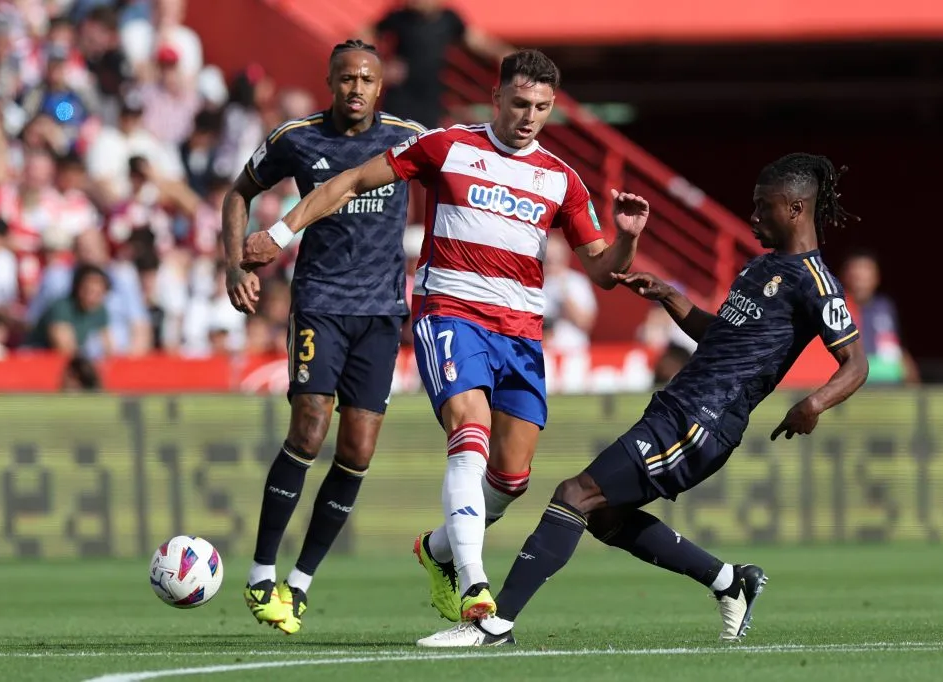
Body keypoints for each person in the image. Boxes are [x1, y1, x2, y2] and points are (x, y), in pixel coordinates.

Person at [241, 49, 649, 626]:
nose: (528, 116)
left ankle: (436, 552)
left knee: (510, 479)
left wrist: (628, 240)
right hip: (450, 316)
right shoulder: (447, 145)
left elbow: (604, 272)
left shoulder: (562, 180)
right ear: (496, 98)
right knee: (469, 429)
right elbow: (353, 179)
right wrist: (282, 231)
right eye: (518, 103)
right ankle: (475, 586)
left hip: (522, 335)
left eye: (540, 107)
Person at [414, 152, 870, 647]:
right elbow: (724, 337)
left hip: (703, 421)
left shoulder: (815, 280)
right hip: (679, 406)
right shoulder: (764, 268)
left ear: (797, 209)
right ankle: (729, 581)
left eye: (765, 207)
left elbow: (855, 363)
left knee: (575, 495)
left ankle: (492, 624)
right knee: (606, 519)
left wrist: (814, 404)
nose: (754, 217)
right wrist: (669, 296)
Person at [221, 39, 425, 636]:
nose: (356, 88)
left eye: (366, 78)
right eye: (345, 79)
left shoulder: (408, 137)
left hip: (384, 312)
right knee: (309, 429)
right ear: (330, 82)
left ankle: (300, 583)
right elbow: (239, 192)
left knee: (358, 450)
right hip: (320, 305)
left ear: (379, 88)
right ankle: (261, 574)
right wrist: (234, 264)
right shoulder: (297, 138)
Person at [362, 0, 511, 128]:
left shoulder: (448, 19)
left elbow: (476, 40)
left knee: (425, 139)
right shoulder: (399, 16)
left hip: (431, 97)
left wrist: (502, 53)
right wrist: (379, 67)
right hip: (401, 96)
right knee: (394, 139)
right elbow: (365, 34)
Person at [841, 249, 918, 385]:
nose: (861, 284)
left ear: (876, 278)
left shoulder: (885, 306)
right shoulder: (838, 309)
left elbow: (897, 347)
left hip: (891, 380)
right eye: (856, 277)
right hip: (859, 379)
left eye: (866, 277)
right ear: (845, 277)